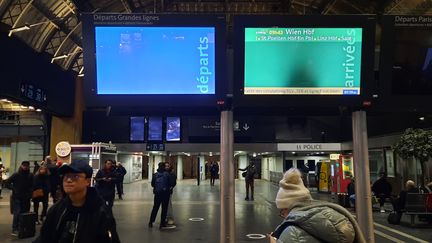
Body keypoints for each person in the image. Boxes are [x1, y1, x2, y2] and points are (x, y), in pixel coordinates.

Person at [33, 159, 120, 243]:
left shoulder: (101, 212)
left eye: (75, 176)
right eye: (66, 176)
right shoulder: (57, 209)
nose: (69, 180)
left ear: (87, 181)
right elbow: (44, 237)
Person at [269, 168, 365, 243]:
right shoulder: (341, 218)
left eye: (282, 211)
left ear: (288, 208)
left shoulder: (291, 232)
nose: (283, 216)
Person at [5, 161, 34, 236]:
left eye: (26, 166)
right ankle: (15, 229)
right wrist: (13, 189)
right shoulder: (16, 175)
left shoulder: (30, 175)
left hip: (26, 198)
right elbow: (7, 183)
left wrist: (30, 193)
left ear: (28, 167)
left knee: (25, 213)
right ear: (21, 166)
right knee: (17, 213)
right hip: (16, 197)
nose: (25, 167)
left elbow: (32, 185)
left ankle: (23, 227)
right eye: (24, 166)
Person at [149, 162, 174, 229]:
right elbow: (171, 183)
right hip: (165, 194)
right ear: (164, 167)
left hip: (157, 194)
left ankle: (151, 222)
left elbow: (152, 184)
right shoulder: (167, 174)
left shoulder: (155, 174)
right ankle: (162, 223)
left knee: (155, 208)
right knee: (164, 209)